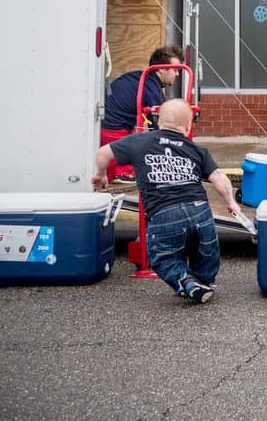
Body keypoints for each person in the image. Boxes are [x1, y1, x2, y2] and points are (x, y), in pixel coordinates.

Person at [91, 99, 240, 303]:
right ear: (188, 125)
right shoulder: (197, 150)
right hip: (199, 209)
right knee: (206, 250)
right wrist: (231, 201)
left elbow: (102, 153)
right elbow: (219, 178)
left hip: (164, 211)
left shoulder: (138, 141)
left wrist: (101, 175)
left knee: (161, 255)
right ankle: (203, 283)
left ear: (158, 120)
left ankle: (187, 282)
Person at [99, 45, 183, 183]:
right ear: (162, 69)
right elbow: (160, 127)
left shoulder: (139, 78)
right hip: (114, 132)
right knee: (139, 168)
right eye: (175, 70)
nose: (178, 74)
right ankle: (124, 174)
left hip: (104, 128)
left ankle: (115, 174)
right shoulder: (151, 89)